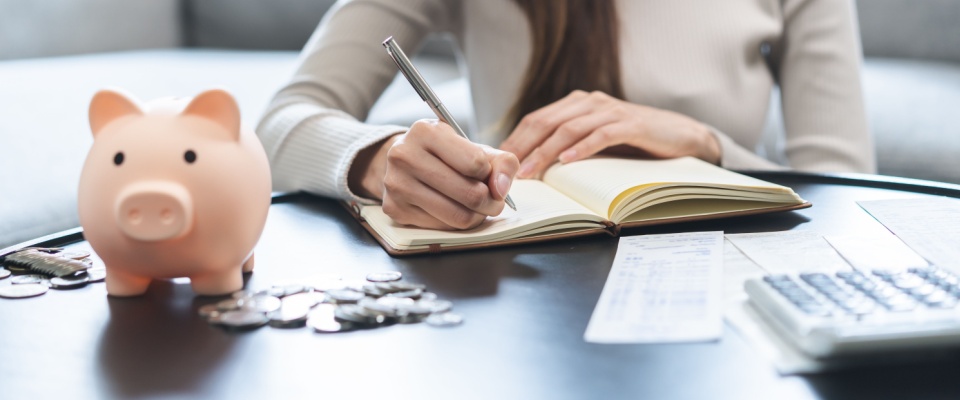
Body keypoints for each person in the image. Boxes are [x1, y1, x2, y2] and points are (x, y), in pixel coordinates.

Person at [257, 0, 875, 230]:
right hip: (518, 259)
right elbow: (281, 121)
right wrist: (380, 157)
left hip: (729, 262)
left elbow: (851, 190)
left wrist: (707, 144)